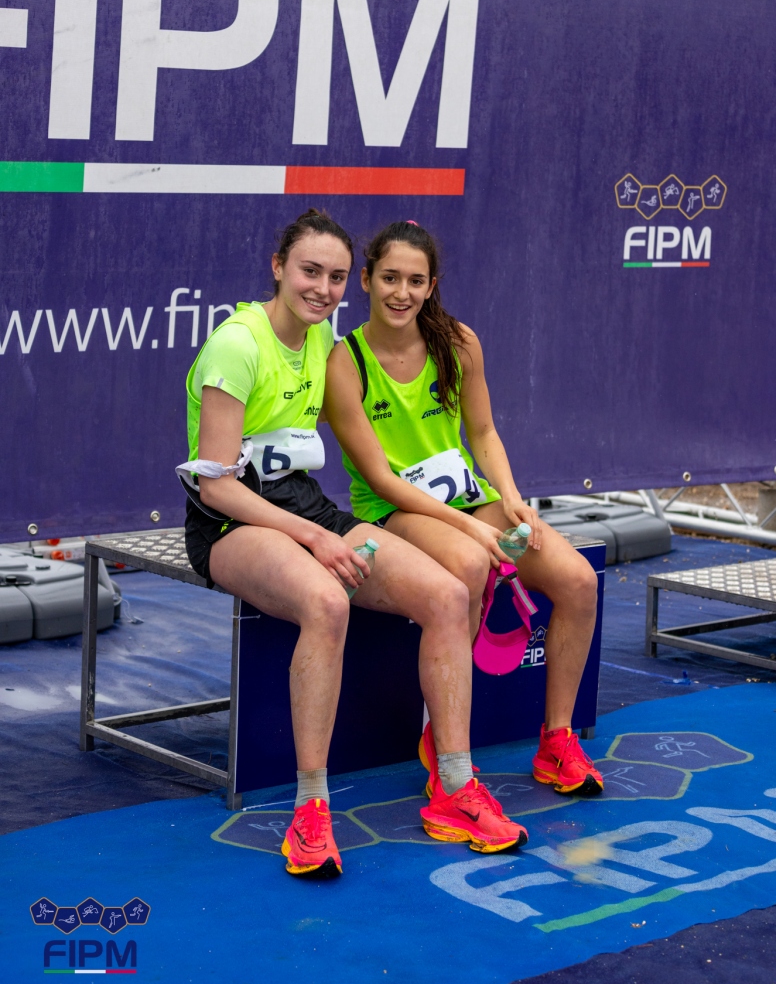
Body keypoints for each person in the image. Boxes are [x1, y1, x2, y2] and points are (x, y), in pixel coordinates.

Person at [178, 208, 528, 879]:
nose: (323, 288)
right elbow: (217, 487)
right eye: (309, 271)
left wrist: (318, 526)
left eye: (336, 277)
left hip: (304, 506)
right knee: (327, 601)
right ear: (278, 267)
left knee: (449, 595)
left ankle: (455, 786)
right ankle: (311, 808)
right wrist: (315, 538)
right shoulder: (237, 346)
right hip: (229, 522)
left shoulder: (322, 340)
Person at [324, 220, 603, 798]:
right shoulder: (343, 362)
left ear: (432, 285)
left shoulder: (458, 342)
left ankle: (557, 740)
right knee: (472, 563)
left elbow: (483, 432)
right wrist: (469, 528)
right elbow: (380, 479)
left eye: (416, 281)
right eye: (390, 278)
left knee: (578, 580)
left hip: (470, 503)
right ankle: (448, 748)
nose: (402, 293)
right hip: (394, 512)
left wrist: (513, 500)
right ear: (367, 280)